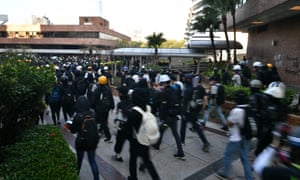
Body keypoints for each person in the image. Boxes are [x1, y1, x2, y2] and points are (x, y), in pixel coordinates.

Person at [216, 90, 254, 180]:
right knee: (245, 158)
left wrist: (230, 115)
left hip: (236, 138)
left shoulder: (237, 110)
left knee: (227, 155)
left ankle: (226, 173)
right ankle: (249, 178)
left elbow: (228, 123)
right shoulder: (250, 108)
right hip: (246, 137)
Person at [126, 88, 161, 180]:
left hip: (135, 140)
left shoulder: (133, 112)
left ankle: (133, 177)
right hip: (145, 139)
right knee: (147, 161)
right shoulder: (148, 108)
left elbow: (128, 128)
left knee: (133, 159)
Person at [152, 74, 186, 160]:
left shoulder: (163, 93)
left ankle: (157, 145)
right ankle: (180, 152)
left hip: (167, 118)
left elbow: (162, 107)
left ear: (163, 83)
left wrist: (161, 117)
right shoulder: (174, 90)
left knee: (162, 128)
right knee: (173, 133)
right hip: (174, 116)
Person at [67, 95, 100, 180]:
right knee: (92, 161)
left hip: (81, 142)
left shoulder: (78, 116)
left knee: (79, 161)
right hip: (92, 141)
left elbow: (73, 130)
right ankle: (96, 178)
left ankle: (75, 175)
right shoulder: (93, 113)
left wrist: (69, 126)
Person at [254, 81, 288, 156]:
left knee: (260, 152)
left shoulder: (267, 104)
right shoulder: (283, 107)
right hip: (274, 135)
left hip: (268, 134)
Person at [180, 74, 210, 152]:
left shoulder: (187, 90)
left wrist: (183, 113)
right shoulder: (201, 88)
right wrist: (203, 108)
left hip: (188, 112)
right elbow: (204, 98)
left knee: (183, 126)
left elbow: (185, 103)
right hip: (196, 110)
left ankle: (182, 141)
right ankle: (205, 142)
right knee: (196, 126)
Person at [91, 75, 115, 143]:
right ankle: (101, 130)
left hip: (98, 109)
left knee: (99, 122)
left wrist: (92, 106)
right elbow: (111, 98)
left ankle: (107, 136)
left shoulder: (97, 89)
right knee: (104, 121)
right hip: (106, 109)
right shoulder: (108, 89)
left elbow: (94, 100)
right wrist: (112, 106)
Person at [113, 85, 131, 162]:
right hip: (131, 125)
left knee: (120, 141)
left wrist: (116, 120)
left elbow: (119, 116)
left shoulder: (120, 104)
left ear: (121, 94)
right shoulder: (131, 101)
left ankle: (118, 155)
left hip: (123, 125)